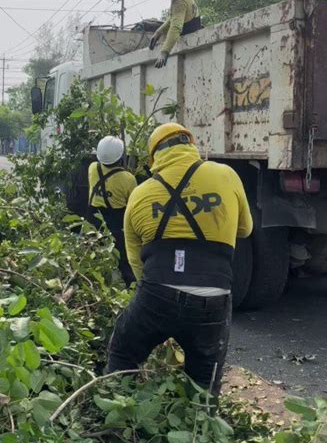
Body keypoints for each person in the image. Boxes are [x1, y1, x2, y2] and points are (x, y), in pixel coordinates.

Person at [105, 123, 253, 394]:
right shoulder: (226, 175)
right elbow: (245, 229)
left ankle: (113, 411)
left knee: (122, 355)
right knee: (204, 383)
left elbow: (136, 261)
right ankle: (203, 428)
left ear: (154, 157)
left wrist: (156, 302)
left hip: (157, 293)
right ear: (191, 145)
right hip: (214, 298)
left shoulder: (140, 193)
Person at [88, 136, 137, 287]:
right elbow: (133, 204)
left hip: (94, 221)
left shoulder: (92, 168)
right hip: (116, 224)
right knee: (123, 260)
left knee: (96, 257)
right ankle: (130, 287)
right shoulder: (128, 178)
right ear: (121, 156)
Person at [149, 0, 202, 69]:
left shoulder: (179, 0)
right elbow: (174, 17)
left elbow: (176, 27)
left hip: (188, 38)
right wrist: (159, 31)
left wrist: (164, 52)